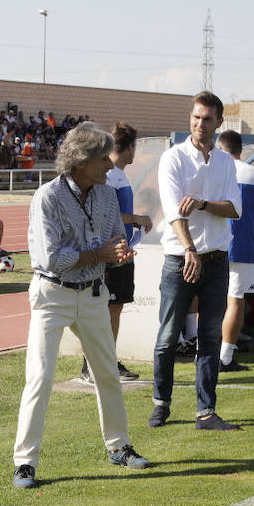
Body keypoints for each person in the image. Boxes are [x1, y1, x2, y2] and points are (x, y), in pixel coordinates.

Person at [12, 122, 150, 489]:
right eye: (103, 157)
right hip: (53, 295)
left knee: (107, 373)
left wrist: (118, 253)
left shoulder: (106, 194)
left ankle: (119, 447)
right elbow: (49, 258)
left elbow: (114, 239)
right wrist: (99, 254)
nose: (110, 163)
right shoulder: (48, 197)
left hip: (92, 294)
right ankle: (25, 463)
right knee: (39, 378)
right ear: (81, 160)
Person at [150, 91, 242, 431]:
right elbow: (174, 211)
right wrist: (189, 249)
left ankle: (206, 412)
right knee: (168, 335)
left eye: (206, 119)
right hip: (180, 259)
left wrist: (203, 203)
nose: (199, 124)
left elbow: (235, 209)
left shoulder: (225, 162)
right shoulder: (173, 158)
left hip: (217, 260)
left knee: (210, 337)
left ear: (219, 123)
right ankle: (161, 403)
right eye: (195, 117)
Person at [79, 122, 153, 384]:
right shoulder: (108, 175)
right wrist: (136, 217)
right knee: (104, 310)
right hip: (109, 253)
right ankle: (92, 365)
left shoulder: (118, 174)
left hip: (122, 251)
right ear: (130, 147)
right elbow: (103, 214)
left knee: (114, 309)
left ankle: (107, 360)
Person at [216, 129, 254, 372]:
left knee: (209, 301)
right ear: (241, 149)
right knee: (235, 302)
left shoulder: (212, 173)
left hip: (212, 245)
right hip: (242, 247)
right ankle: (225, 358)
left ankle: (204, 352)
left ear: (220, 148)